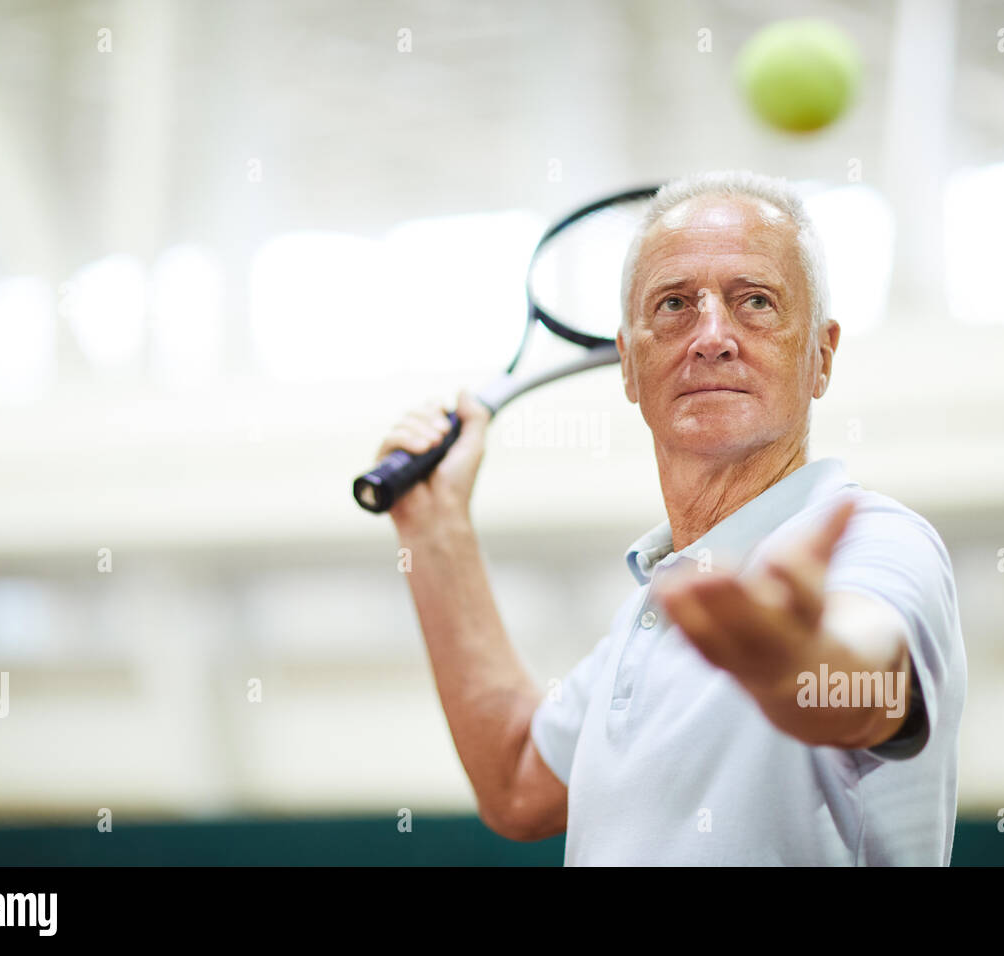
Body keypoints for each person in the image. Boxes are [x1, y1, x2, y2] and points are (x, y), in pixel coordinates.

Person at [372, 170, 967, 865]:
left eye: (755, 302)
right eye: (676, 304)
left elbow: (867, 682)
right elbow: (515, 783)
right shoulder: (654, 611)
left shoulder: (875, 537)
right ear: (628, 364)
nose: (712, 335)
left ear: (821, 358)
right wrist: (434, 531)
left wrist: (793, 661)